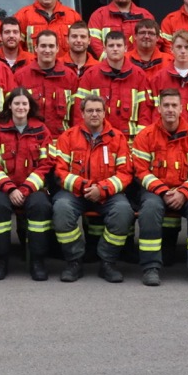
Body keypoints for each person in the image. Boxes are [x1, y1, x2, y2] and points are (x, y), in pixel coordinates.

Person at [130, 89, 188, 287]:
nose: (170, 110)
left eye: (174, 105)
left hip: (186, 190)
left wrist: (184, 192)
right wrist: (163, 191)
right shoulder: (145, 135)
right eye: (166, 105)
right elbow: (140, 171)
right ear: (159, 108)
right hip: (156, 191)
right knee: (149, 210)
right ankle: (150, 267)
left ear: (181, 108)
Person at [52, 94, 134, 284]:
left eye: (98, 110)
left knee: (123, 212)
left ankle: (107, 261)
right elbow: (60, 171)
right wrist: (86, 186)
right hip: (76, 192)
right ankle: (74, 261)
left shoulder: (118, 138)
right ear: (82, 113)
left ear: (105, 113)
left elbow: (125, 173)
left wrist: (103, 189)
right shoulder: (68, 137)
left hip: (108, 193)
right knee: (62, 209)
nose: (94, 114)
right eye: (90, 110)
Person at [0, 88, 54, 281]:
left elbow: (46, 164)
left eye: (24, 103)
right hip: (3, 188)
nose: (20, 107)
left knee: (41, 207)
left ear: (30, 107)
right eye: (17, 103)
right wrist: (10, 188)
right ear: (9, 106)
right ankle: (0, 261)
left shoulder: (41, 131)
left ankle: (38, 261)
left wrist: (24, 189)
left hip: (33, 188)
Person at [75, 30, 155, 138]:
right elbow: (79, 111)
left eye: (119, 45)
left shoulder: (139, 75)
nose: (115, 49)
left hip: (130, 141)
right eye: (111, 45)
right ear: (104, 49)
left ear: (125, 48)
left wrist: (141, 139)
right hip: (98, 139)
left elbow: (145, 112)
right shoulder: (90, 75)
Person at [14, 30, 79, 137]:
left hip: (61, 140)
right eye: (43, 46)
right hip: (30, 139)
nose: (47, 50)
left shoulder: (70, 77)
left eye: (51, 46)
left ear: (57, 49)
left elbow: (76, 114)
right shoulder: (20, 77)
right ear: (36, 48)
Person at [87, 0, 152, 55]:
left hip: (139, 66)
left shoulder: (145, 15)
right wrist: (110, 61)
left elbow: (155, 41)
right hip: (109, 65)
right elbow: (94, 42)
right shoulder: (99, 15)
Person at [15, 0, 81, 52]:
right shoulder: (23, 15)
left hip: (65, 64)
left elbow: (81, 45)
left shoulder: (73, 16)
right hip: (34, 64)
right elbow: (15, 47)